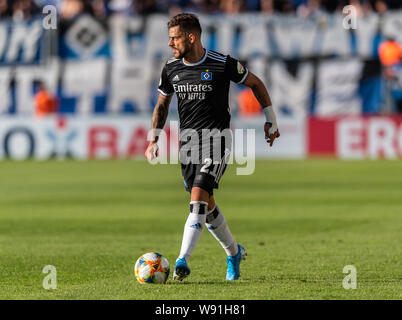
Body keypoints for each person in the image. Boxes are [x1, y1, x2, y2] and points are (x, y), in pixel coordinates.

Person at [144, 13, 280, 281]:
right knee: (207, 208)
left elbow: (256, 83)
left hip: (217, 141)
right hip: (188, 145)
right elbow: (162, 105)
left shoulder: (222, 64)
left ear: (191, 37)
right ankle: (233, 253)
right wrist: (153, 139)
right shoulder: (171, 69)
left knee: (197, 200)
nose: (170, 44)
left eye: (175, 38)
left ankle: (183, 260)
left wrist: (271, 121)